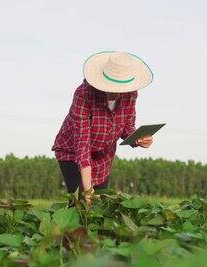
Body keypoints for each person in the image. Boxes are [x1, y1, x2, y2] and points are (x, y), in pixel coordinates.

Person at [52, 51, 154, 203]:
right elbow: (82, 145)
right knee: (81, 204)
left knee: (101, 206)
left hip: (103, 156)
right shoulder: (84, 94)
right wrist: (87, 191)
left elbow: (127, 129)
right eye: (112, 88)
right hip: (73, 152)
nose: (117, 93)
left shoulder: (131, 95)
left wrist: (138, 139)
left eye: (121, 89)